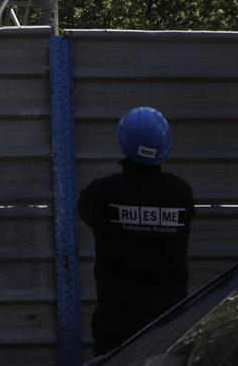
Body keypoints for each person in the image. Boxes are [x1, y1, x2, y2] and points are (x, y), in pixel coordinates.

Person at [77, 106, 196, 354]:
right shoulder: (180, 192)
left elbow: (87, 214)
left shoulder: (102, 193)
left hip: (117, 325)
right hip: (169, 324)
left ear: (123, 141)